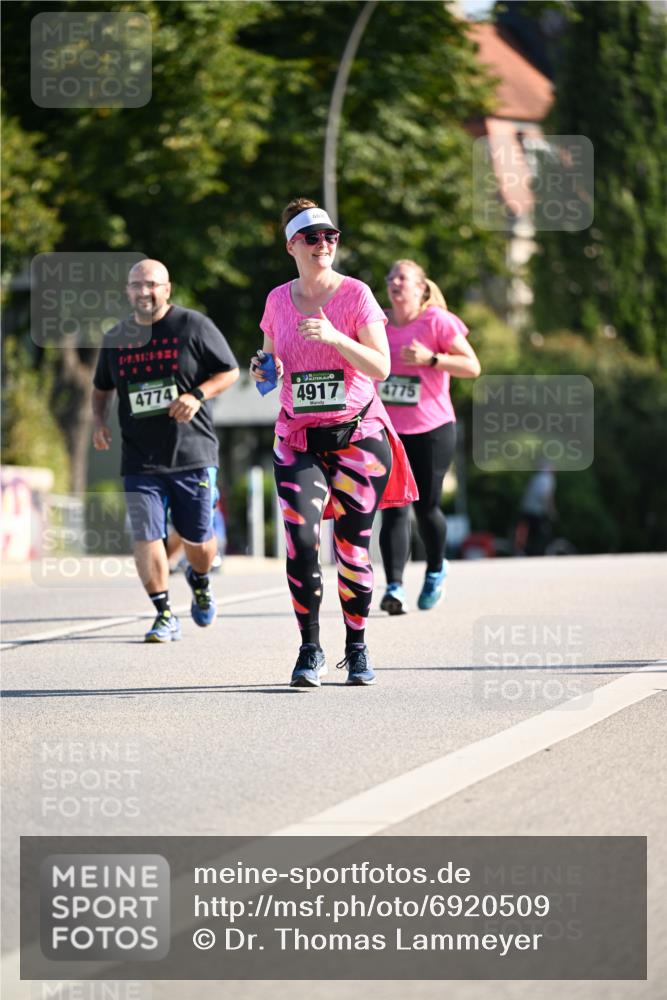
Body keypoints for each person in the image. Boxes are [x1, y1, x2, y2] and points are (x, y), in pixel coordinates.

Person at [251, 199, 417, 688]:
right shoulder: (278, 300)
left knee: (352, 550)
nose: (324, 244)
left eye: (331, 236)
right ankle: (309, 649)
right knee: (302, 543)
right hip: (298, 438)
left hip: (357, 437)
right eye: (312, 238)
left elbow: (381, 368)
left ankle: (358, 648)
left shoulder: (357, 295)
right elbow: (264, 368)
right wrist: (269, 370)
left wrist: (334, 337)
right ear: (292, 247)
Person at [92, 259, 239, 642]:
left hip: (192, 454)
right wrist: (99, 422)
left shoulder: (193, 326)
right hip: (140, 457)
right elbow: (102, 386)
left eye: (152, 284)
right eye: (137, 285)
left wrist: (197, 395)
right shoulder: (116, 337)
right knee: (146, 535)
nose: (144, 292)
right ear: (128, 291)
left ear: (167, 288)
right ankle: (163, 612)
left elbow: (229, 371)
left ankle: (200, 579)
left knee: (198, 540)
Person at [378, 259, 481, 614]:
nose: (394, 282)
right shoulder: (378, 322)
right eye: (390, 277)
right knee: (392, 509)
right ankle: (394, 587)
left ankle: (436, 568)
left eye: (402, 278)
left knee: (425, 507)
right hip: (389, 430)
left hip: (432, 429)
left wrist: (431, 359)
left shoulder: (436, 321)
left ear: (421, 287)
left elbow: (472, 366)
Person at [515, 463, 556, 556]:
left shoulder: (536, 477)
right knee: (540, 534)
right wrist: (551, 511)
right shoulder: (548, 479)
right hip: (537, 512)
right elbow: (545, 496)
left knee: (527, 533)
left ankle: (523, 551)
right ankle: (537, 553)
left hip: (526, 510)